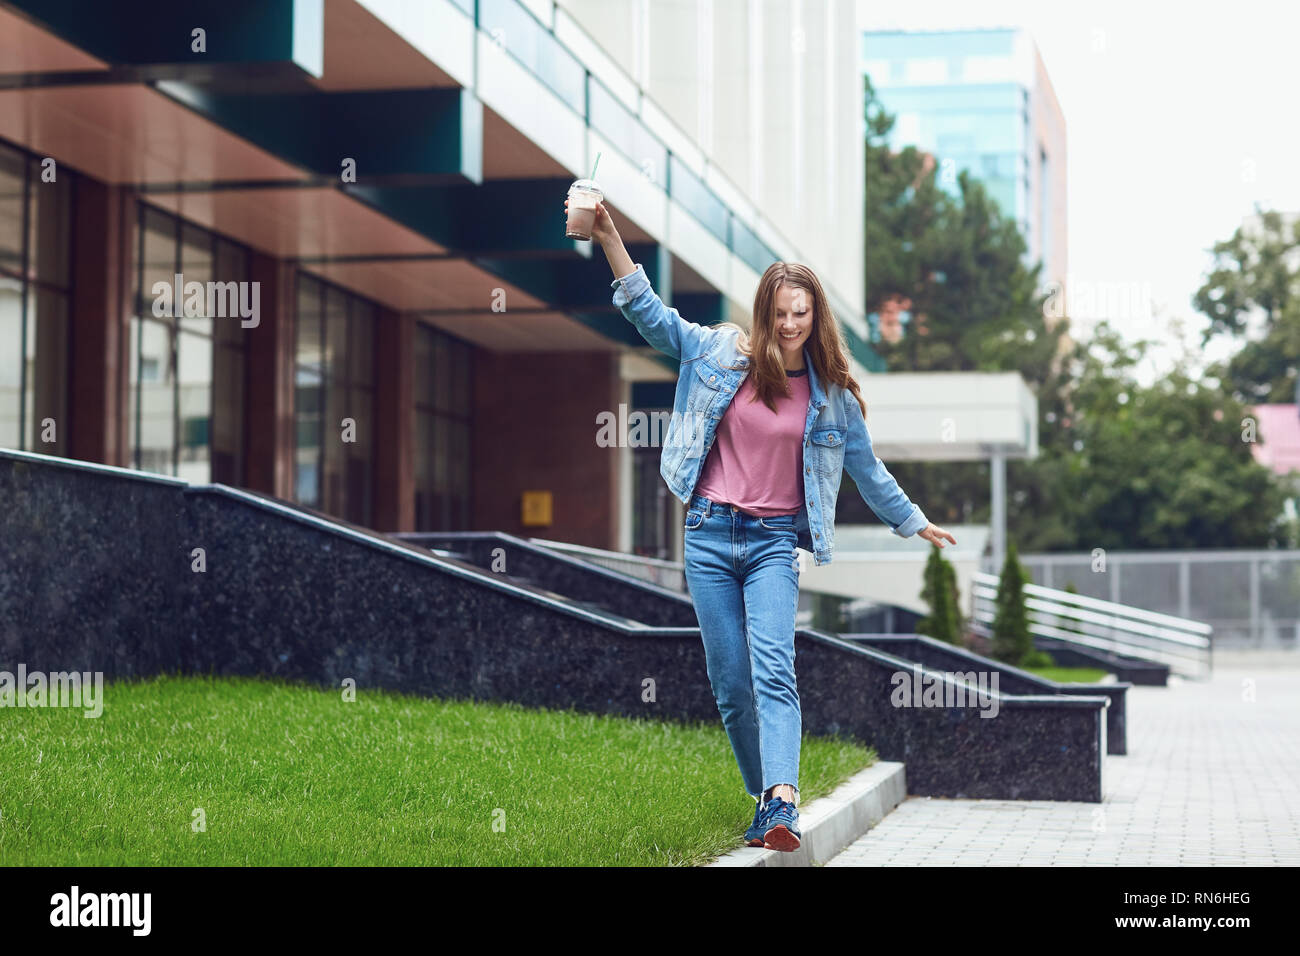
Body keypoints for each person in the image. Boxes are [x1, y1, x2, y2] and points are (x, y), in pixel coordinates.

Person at [572, 196, 956, 852]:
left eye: (800, 315)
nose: (789, 326)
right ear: (764, 312)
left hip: (775, 542)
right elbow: (650, 316)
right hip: (709, 537)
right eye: (779, 314)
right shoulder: (719, 354)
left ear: (816, 315)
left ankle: (784, 798)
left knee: (774, 668)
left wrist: (914, 522)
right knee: (728, 682)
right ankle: (764, 802)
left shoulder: (831, 394)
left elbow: (867, 470)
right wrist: (608, 234)